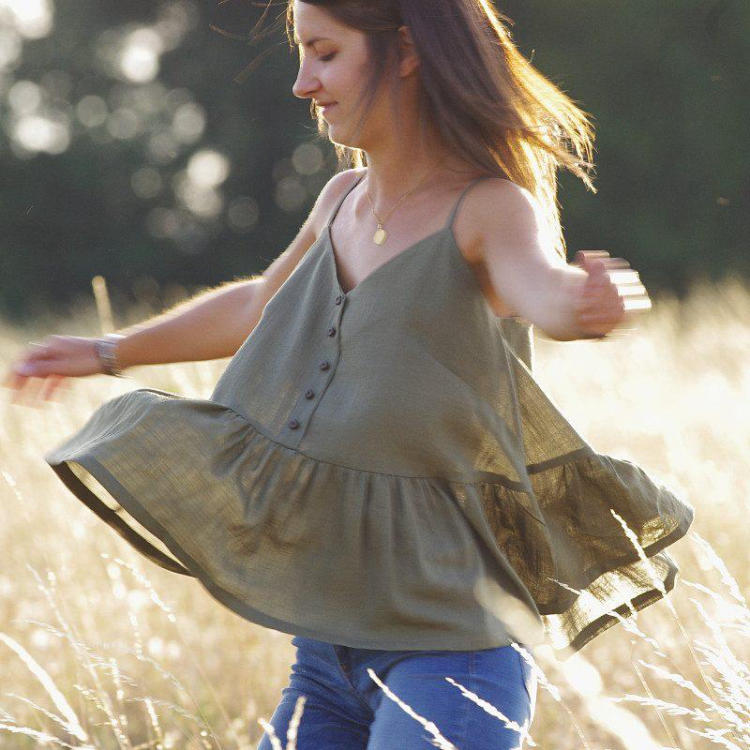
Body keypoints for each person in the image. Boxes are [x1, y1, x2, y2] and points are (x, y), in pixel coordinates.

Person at [3, 1, 695, 748]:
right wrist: (108, 351)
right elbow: (259, 305)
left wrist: (588, 303)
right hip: (324, 661)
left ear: (407, 51)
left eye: (326, 54)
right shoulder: (340, 198)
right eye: (303, 55)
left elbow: (544, 291)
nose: (303, 83)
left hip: (453, 659)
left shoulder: (488, 209)